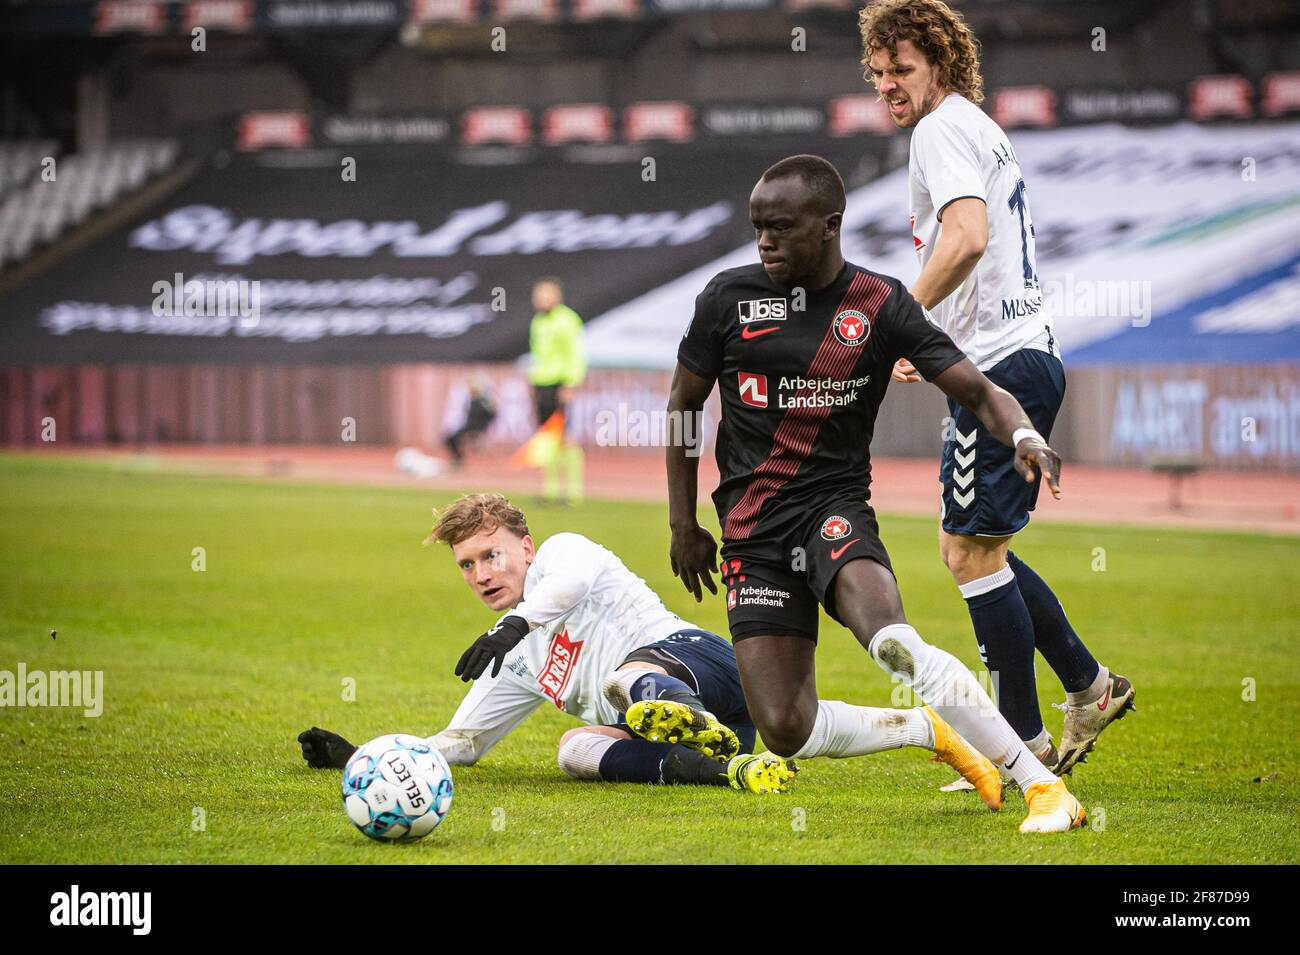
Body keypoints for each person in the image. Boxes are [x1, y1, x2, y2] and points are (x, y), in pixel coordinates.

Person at [666, 153, 1087, 832]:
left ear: (830, 225)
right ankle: (931, 730)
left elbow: (977, 388)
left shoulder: (880, 302)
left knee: (892, 641)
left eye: (780, 226)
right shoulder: (725, 298)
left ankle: (1043, 787)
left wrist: (1025, 436)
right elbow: (684, 407)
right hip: (751, 535)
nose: (764, 240)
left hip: (833, 514)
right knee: (784, 729)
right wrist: (682, 523)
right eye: (757, 227)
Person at [860, 0, 1134, 776]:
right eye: (878, 73)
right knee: (983, 550)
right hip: (1018, 354)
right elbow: (979, 249)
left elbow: (969, 235)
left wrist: (903, 320)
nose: (888, 85)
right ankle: (1086, 685)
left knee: (968, 556)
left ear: (940, 66)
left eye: (902, 69)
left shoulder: (939, 128)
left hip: (1002, 365)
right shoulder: (980, 126)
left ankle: (1028, 750)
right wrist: (935, 331)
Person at [299, 493, 999, 796]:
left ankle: (668, 706)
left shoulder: (563, 555)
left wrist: (514, 622)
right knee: (574, 749)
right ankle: (917, 730)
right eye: (468, 565)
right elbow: (466, 741)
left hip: (700, 659)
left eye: (491, 555)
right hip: (719, 717)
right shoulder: (511, 657)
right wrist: (368, 755)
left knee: (623, 680)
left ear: (525, 545)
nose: (482, 573)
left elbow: (566, 589)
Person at [528, 278, 586, 505]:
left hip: (559, 383)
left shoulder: (567, 320)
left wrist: (570, 383)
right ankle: (550, 490)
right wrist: (533, 383)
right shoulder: (537, 322)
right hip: (541, 383)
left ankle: (573, 492)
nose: (541, 299)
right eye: (538, 294)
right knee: (547, 437)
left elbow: (575, 354)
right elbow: (538, 355)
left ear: (557, 296)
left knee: (565, 437)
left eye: (546, 294)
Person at [444, 379, 497, 469]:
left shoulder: (483, 402)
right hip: (468, 427)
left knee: (452, 438)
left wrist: (484, 425)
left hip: (476, 428)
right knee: (449, 438)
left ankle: (458, 459)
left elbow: (492, 415)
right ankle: (458, 458)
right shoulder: (471, 401)